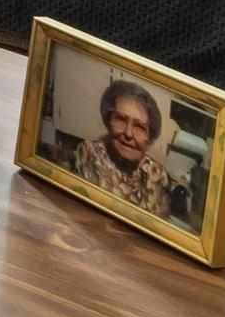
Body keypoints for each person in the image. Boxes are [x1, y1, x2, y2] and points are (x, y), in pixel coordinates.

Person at [68, 75, 176, 217]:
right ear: (108, 122)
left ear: (150, 138)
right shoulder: (89, 154)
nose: (128, 133)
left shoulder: (158, 175)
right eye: (120, 119)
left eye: (139, 127)